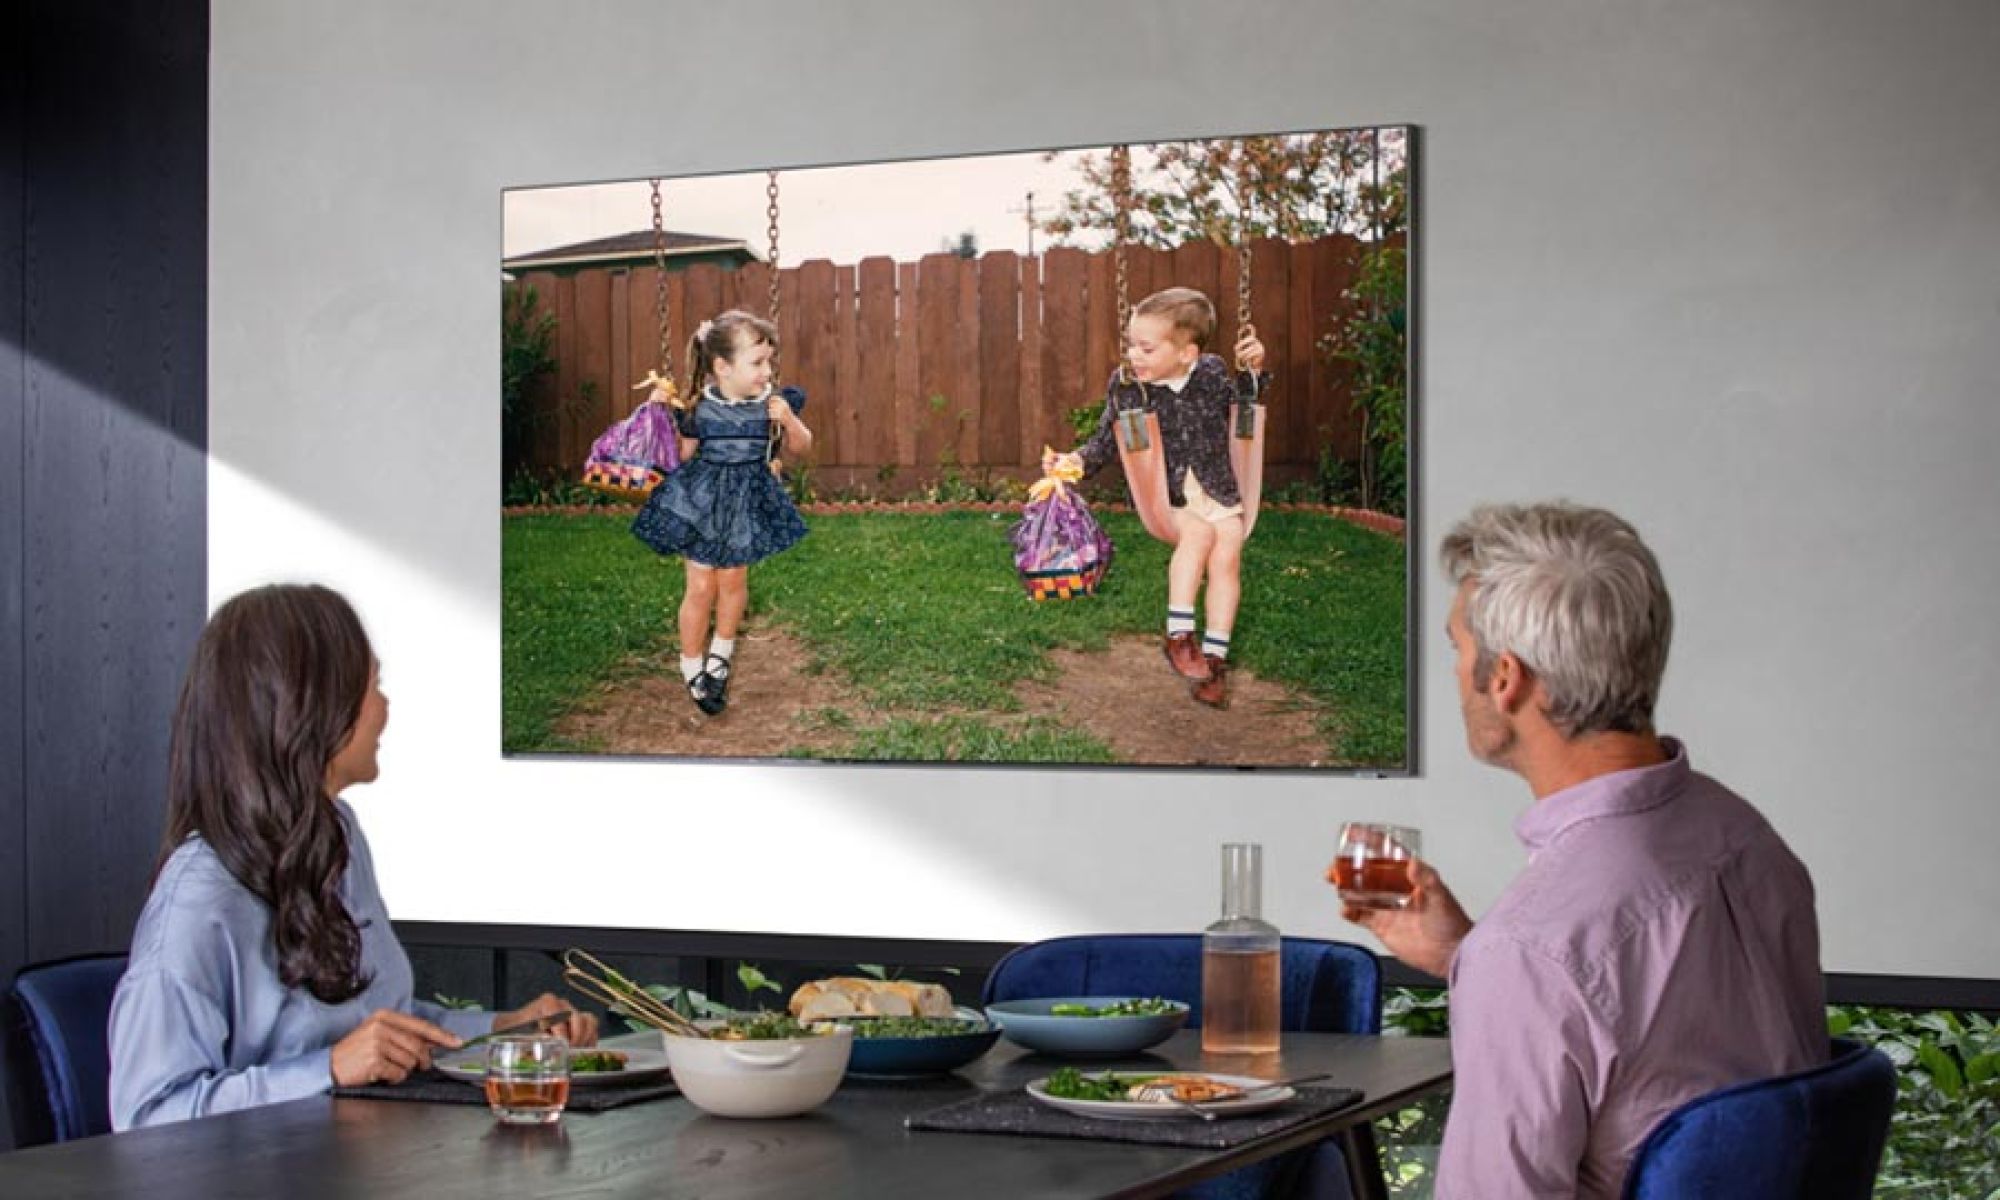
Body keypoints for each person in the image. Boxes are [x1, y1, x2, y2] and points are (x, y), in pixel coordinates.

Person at [1338, 502, 1825, 1198]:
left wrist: (1499, 966)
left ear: (1505, 679)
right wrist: (1465, 960)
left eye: (1457, 650)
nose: (1454, 674)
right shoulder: (1747, 840)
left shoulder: (1532, 953)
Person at [109, 584, 597, 1131]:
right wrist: (329, 1069)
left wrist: (502, 1030)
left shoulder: (338, 835)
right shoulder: (200, 896)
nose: (385, 707)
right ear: (312, 707)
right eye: (374, 686)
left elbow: (382, 1030)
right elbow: (145, 1117)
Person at [1051, 287, 1265, 707]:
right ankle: (1179, 635)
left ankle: (1215, 660)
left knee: (1227, 557)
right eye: (1131, 345)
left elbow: (1244, 410)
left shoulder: (1212, 373)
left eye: (1146, 348)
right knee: (1199, 537)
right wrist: (1072, 463)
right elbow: (1106, 439)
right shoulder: (1130, 387)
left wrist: (1252, 372)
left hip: (1218, 489)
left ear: (1187, 353)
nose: (1134, 355)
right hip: (1169, 499)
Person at [632, 310, 812, 715]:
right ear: (722, 367)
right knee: (700, 587)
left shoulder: (773, 405)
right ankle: (691, 665)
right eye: (758, 362)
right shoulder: (698, 408)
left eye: (769, 361)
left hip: (746, 500)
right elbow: (681, 457)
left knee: (732, 580)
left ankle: (721, 655)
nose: (767, 371)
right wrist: (659, 416)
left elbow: (802, 449)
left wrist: (789, 421)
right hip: (701, 502)